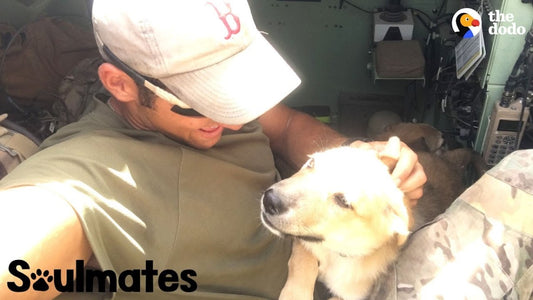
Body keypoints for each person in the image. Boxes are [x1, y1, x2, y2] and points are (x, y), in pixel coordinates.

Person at [0, 0, 425, 299]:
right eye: (202, 98)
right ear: (119, 83)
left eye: (234, 87)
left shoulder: (227, 111)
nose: (237, 118)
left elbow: (289, 125)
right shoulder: (87, 170)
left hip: (341, 261)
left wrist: (356, 158)